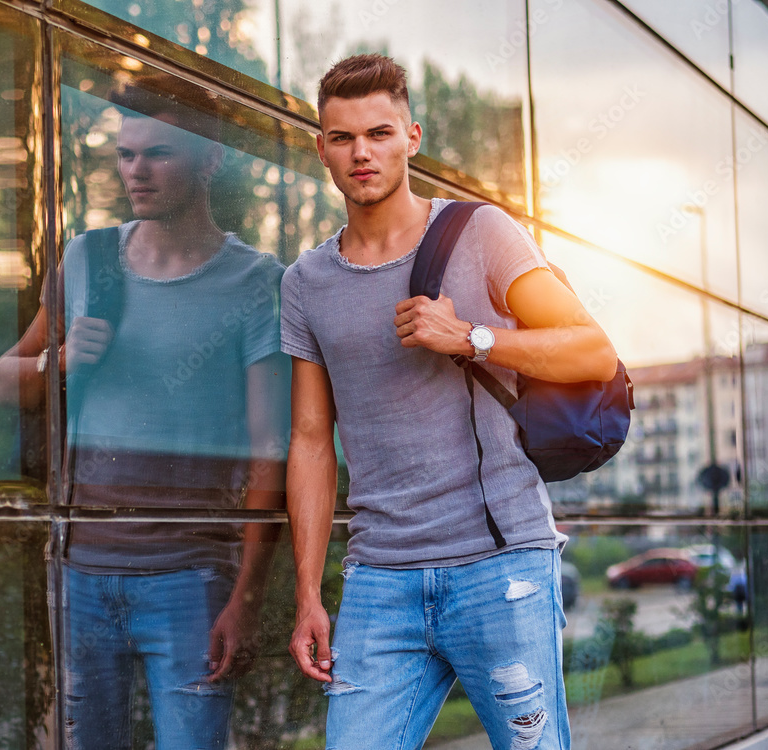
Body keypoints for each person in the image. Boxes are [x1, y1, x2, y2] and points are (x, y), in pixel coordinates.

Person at [282, 54, 617, 750]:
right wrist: (308, 593)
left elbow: (593, 350)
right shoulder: (306, 280)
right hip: (379, 580)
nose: (361, 153)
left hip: (500, 569)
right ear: (320, 147)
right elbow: (312, 441)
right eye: (341, 138)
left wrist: (474, 337)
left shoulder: (481, 233)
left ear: (413, 136)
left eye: (379, 132)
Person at [0, 89, 288, 749]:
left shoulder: (254, 280)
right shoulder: (88, 258)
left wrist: (246, 596)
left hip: (190, 579)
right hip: (81, 571)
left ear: (210, 159)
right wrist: (56, 362)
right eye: (126, 155)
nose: (137, 171)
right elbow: (3, 378)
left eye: (158, 154)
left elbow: (273, 449)